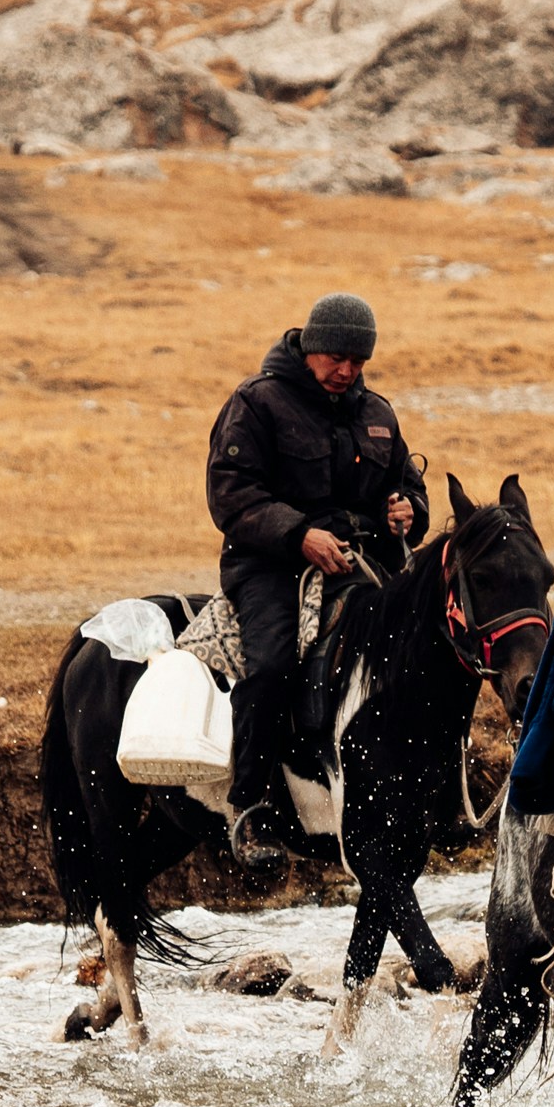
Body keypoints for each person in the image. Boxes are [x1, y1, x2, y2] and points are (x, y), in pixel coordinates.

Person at [206, 293, 422, 865]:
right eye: (336, 358)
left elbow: (407, 486)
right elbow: (231, 492)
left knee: (420, 651)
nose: (346, 371)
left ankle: (425, 793)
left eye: (358, 361)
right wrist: (299, 534)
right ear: (309, 347)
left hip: (362, 564)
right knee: (272, 666)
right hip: (271, 566)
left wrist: (409, 510)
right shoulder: (257, 403)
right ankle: (251, 806)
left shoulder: (378, 414)